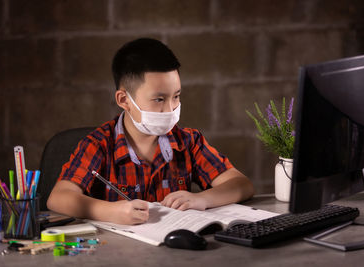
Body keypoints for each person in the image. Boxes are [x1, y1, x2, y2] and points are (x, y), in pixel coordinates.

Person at [47, 38, 255, 225]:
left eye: (176, 96)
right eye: (159, 99)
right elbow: (58, 198)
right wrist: (110, 211)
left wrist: (202, 198)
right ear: (124, 100)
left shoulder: (188, 141)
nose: (170, 109)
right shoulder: (98, 144)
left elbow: (241, 184)